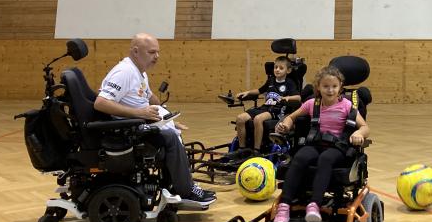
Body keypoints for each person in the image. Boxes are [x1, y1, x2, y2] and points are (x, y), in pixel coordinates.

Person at [93, 33, 216, 205]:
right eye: (152, 52)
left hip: (139, 122)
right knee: (170, 138)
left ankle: (176, 184)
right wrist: (139, 113)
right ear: (136, 51)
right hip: (127, 129)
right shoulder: (124, 72)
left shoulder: (140, 72)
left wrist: (168, 119)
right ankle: (186, 190)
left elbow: (150, 98)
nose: (157, 56)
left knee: (174, 132)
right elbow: (100, 103)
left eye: (158, 52)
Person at [271, 65, 369, 222]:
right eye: (326, 86)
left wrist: (359, 133)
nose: (330, 90)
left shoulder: (347, 106)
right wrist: (286, 125)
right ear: (318, 87)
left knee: (325, 158)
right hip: (315, 144)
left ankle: (314, 205)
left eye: (334, 86)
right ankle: (284, 207)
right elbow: (291, 117)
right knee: (300, 157)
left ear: (340, 87)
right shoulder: (312, 104)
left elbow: (365, 127)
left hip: (337, 148)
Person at [233, 55, 302, 153]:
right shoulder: (271, 80)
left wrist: (287, 98)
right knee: (240, 118)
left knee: (258, 119)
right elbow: (259, 90)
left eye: (281, 68)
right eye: (276, 67)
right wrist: (247, 92)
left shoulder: (289, 83)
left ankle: (256, 150)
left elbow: (298, 98)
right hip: (265, 107)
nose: (277, 70)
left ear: (288, 70)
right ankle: (242, 149)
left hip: (276, 110)